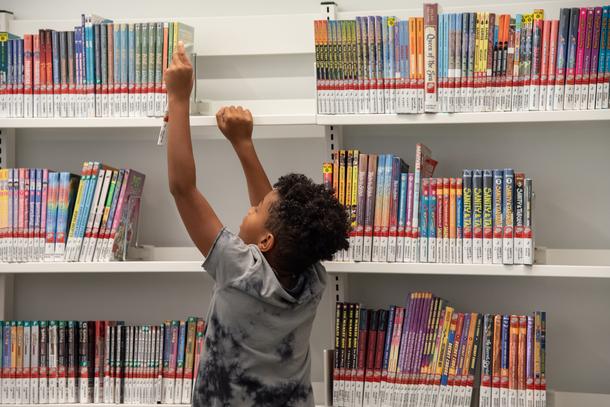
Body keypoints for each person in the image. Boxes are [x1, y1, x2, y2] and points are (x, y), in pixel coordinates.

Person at [164, 41, 350, 407]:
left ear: (265, 242)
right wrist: (243, 144)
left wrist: (179, 98)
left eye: (255, 210)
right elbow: (277, 221)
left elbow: (183, 190)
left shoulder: (237, 270)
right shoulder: (312, 279)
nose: (250, 207)